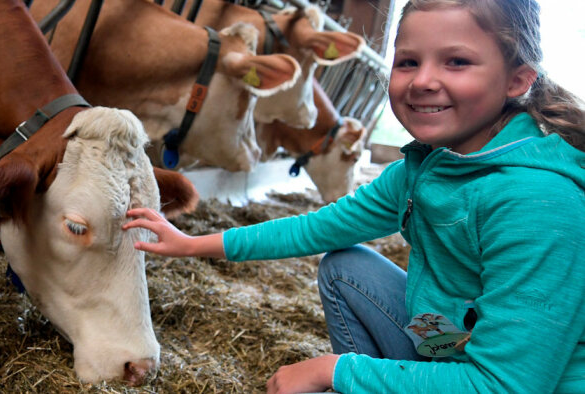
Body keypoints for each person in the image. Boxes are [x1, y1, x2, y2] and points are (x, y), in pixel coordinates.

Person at [123, 0, 585, 392]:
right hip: (454, 339)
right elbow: (319, 227)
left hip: (513, 380)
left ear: (517, 81)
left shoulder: (536, 202)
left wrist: (338, 370)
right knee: (347, 268)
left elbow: (506, 385)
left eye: (456, 62)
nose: (422, 81)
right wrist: (191, 244)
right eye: (408, 62)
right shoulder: (427, 165)